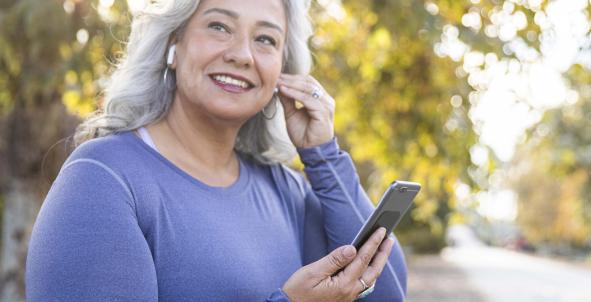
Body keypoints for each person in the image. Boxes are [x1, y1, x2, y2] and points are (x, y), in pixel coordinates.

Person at [25, 0, 408, 301]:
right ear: (174, 44)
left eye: (265, 40)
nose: (243, 54)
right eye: (219, 26)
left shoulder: (284, 190)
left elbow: (386, 293)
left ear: (281, 73)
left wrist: (324, 155)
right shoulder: (102, 178)